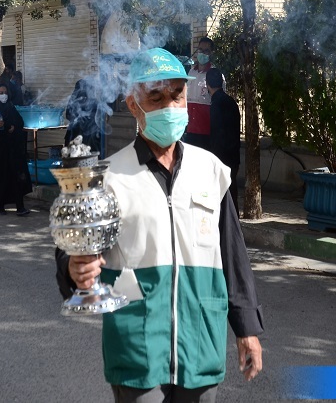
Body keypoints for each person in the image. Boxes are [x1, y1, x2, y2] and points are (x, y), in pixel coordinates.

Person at [55, 48, 263, 402]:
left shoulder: (210, 170)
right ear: (134, 104)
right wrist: (74, 269)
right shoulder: (108, 178)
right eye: (156, 97)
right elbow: (71, 255)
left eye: (177, 95)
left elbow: (233, 256)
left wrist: (248, 329)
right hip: (136, 352)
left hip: (200, 347)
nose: (170, 106)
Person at [0, 83, 32, 216]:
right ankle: (0, 205)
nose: (3, 95)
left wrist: (13, 127)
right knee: (0, 178)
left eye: (5, 92)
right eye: (1, 93)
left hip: (12, 150)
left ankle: (20, 206)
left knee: (16, 177)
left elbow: (20, 122)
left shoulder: (11, 107)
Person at [206, 68, 241, 216]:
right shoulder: (231, 101)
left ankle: (228, 223)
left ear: (207, 84)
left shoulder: (216, 104)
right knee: (231, 191)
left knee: (223, 194)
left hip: (222, 156)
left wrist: (215, 157)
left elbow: (218, 133)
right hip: (233, 155)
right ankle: (234, 221)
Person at [184, 36, 216, 150]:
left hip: (206, 132)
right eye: (200, 50)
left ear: (211, 53)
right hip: (190, 129)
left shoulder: (215, 74)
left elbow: (218, 102)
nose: (202, 53)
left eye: (206, 51)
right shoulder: (191, 72)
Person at [64, 77, 101, 154]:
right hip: (75, 137)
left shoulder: (95, 102)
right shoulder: (74, 101)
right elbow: (68, 114)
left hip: (88, 139)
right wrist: (79, 116)